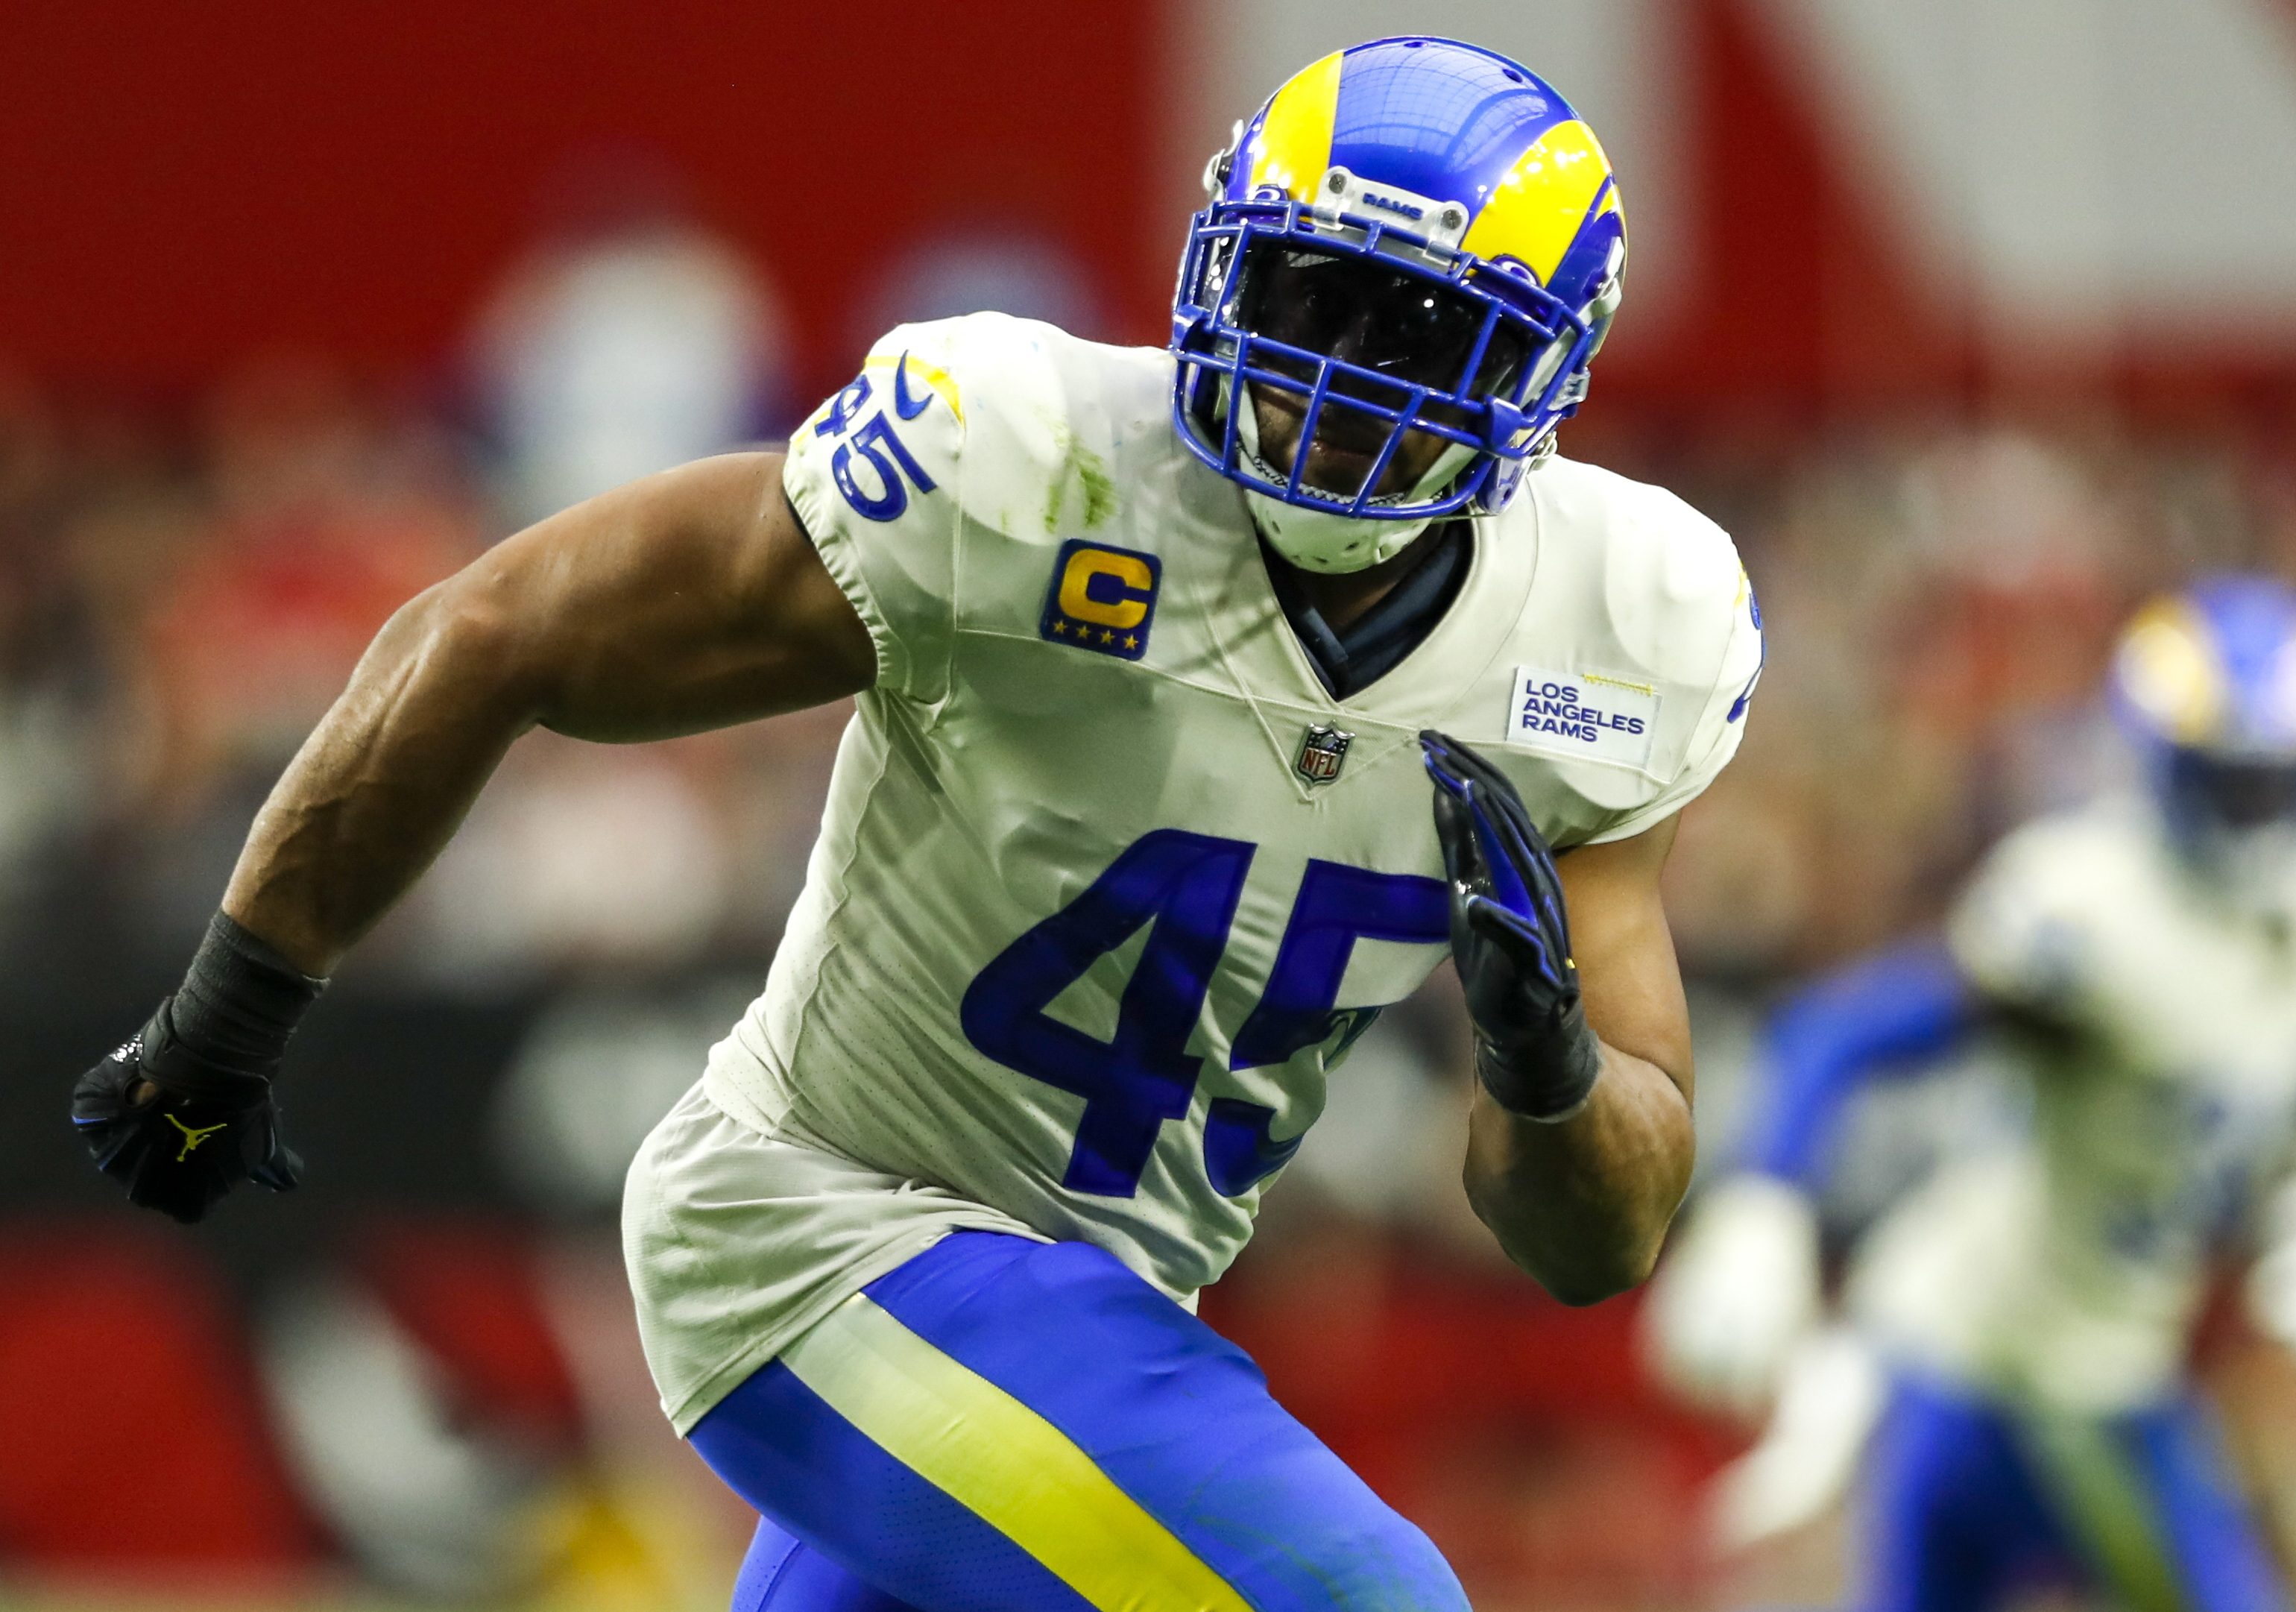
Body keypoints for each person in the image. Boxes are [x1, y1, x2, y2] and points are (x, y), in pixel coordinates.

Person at [71, 37, 1762, 1611]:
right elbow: (503, 630)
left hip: (1096, 1303)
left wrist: (1544, 1074)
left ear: (1539, 374)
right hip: (821, 1225)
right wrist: (229, 1017)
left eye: (1409, 330)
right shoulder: (1025, 467)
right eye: (1303, 293)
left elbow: (1593, 1241)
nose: (1327, 372)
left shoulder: (1624, 623)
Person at [1648, 577, 2296, 1612]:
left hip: (2107, 1363)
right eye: (2227, 785)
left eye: (2273, 786)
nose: (2252, 819)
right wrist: (1764, 1199)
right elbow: (1843, 1032)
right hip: (2013, 1368)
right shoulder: (2091, 911)